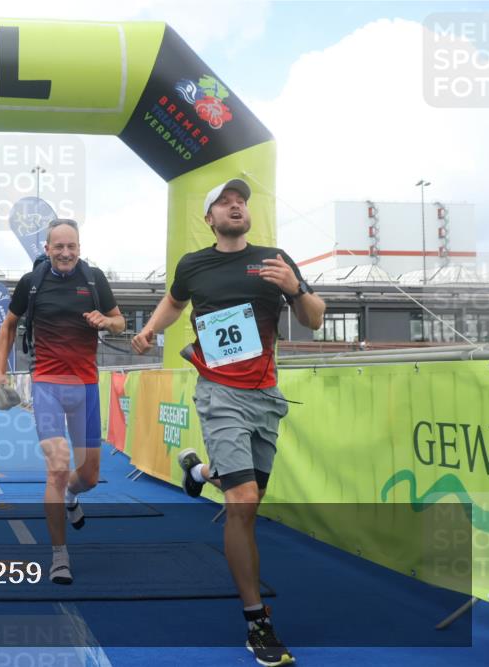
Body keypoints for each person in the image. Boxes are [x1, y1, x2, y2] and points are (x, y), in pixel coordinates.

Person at [131, 179, 325, 667]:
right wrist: (152, 329)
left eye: (240, 200)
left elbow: (316, 318)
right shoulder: (194, 265)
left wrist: (296, 287)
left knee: (246, 498)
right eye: (224, 201)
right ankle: (258, 622)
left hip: (265, 397)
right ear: (209, 218)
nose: (236, 205)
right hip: (218, 393)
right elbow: (175, 303)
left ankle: (197, 472)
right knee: (243, 501)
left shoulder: (275, 259)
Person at [0, 219, 124, 585]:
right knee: (58, 470)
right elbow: (9, 325)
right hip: (46, 385)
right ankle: (59, 555)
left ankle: (73, 498)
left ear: (79, 247)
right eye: (58, 247)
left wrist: (105, 323)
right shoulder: (33, 283)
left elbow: (121, 322)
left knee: (89, 476)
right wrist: (0, 371)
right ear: (46, 249)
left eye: (71, 246)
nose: (65, 253)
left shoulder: (94, 280)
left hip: (86, 387)